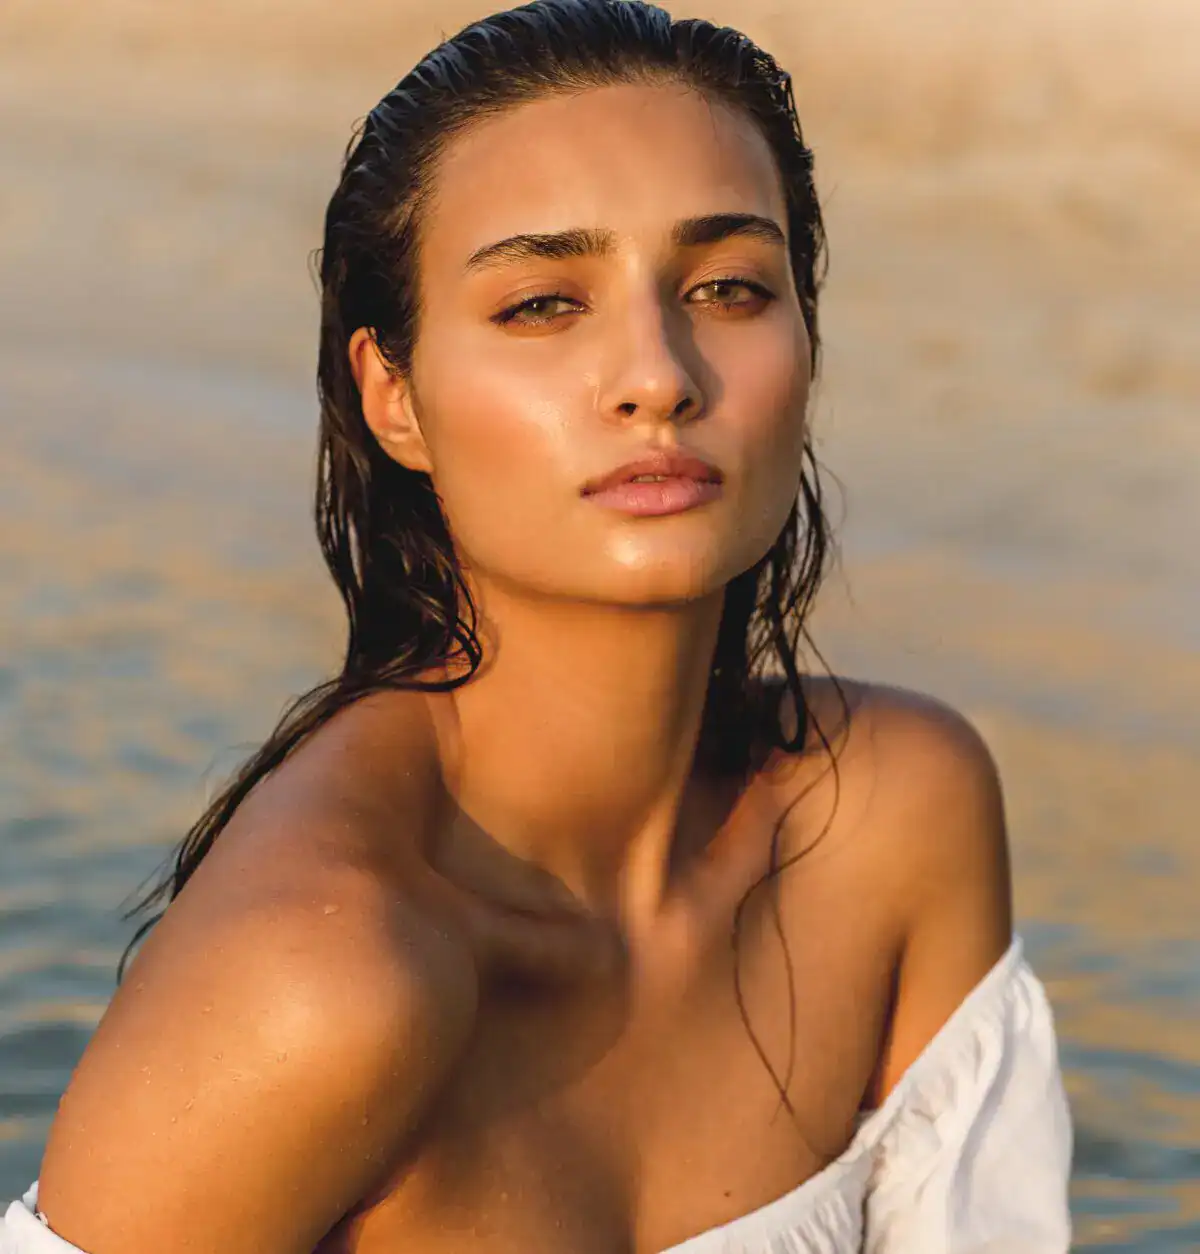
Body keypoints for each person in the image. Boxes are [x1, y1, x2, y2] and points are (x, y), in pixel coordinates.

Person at [0, 1, 1073, 1251]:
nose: (659, 375)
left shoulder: (893, 821)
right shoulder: (319, 979)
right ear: (392, 397)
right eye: (542, 304)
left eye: (728, 286)